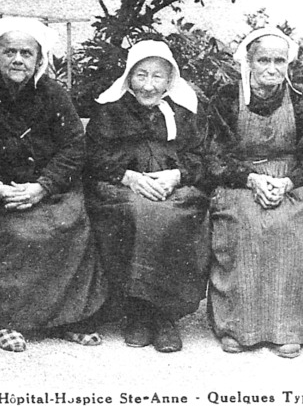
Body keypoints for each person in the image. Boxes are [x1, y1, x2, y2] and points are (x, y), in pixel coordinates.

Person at [0, 18, 107, 352]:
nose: (17, 59)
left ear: (39, 60)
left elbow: (74, 146)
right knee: (19, 233)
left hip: (47, 187)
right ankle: (6, 320)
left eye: (26, 53)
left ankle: (69, 319)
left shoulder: (54, 94)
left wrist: (42, 187)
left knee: (70, 223)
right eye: (9, 51)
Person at [206, 27, 303, 358]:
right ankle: (237, 327)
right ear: (248, 63)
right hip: (242, 180)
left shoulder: (302, 100)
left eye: (279, 61)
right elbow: (212, 156)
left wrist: (288, 182)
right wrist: (251, 178)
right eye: (263, 60)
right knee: (248, 223)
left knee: (296, 222)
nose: (272, 68)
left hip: (291, 181)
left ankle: (292, 327)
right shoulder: (226, 99)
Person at [84, 39, 210, 353]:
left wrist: (176, 175)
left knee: (173, 214)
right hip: (121, 187)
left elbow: (206, 156)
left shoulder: (188, 110)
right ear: (129, 76)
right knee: (134, 212)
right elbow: (92, 156)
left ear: (170, 79)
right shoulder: (110, 109)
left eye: (157, 77)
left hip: (176, 188)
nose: (149, 86)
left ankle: (164, 316)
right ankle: (137, 313)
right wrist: (130, 177)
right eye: (141, 75)